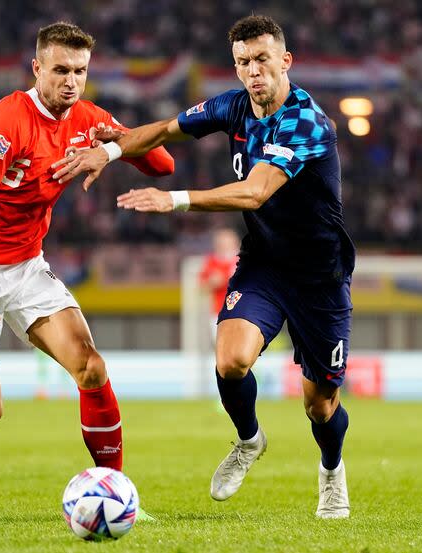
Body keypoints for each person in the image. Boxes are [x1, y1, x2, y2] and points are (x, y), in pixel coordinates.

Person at [51, 15, 354, 519]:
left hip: (320, 275)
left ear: (286, 61)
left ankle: (331, 471)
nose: (253, 71)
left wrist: (173, 201)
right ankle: (249, 440)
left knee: (319, 404)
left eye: (262, 60)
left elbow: (255, 192)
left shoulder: (305, 121)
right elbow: (167, 130)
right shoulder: (234, 107)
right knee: (230, 361)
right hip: (264, 263)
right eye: (243, 62)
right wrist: (108, 150)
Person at [0, 21, 174, 492]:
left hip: (26, 265)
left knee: (91, 367)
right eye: (60, 70)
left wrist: (111, 146)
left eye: (80, 71)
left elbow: (163, 164)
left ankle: (113, 492)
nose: (70, 81)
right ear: (37, 69)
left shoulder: (85, 118)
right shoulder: (6, 122)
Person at [199, 227, 241, 342]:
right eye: (222, 243)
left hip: (244, 311)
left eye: (228, 243)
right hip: (219, 312)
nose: (225, 246)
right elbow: (202, 286)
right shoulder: (212, 261)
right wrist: (212, 282)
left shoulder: (244, 260)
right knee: (223, 345)